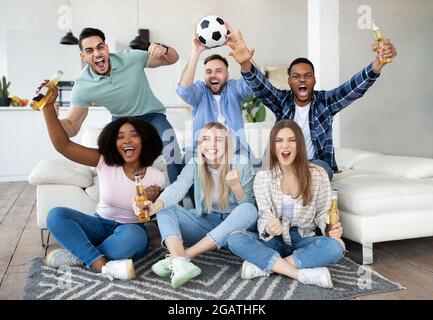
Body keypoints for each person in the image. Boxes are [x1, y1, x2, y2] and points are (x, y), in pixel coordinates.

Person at [226, 26, 397, 180]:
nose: (302, 79)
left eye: (307, 76)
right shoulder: (281, 101)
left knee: (322, 171)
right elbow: (261, 88)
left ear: (314, 80)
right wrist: (245, 63)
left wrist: (378, 64)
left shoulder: (326, 102)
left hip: (314, 166)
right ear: (289, 81)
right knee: (261, 170)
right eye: (296, 76)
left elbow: (353, 88)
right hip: (283, 162)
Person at [40, 82, 165, 281]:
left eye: (134, 136)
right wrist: (47, 107)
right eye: (120, 137)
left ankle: (80, 255)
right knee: (55, 215)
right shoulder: (104, 161)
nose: (127, 141)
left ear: (146, 140)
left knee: (134, 238)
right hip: (99, 224)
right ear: (113, 143)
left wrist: (150, 199)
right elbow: (63, 145)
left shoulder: (157, 176)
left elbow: (150, 207)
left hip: (130, 230)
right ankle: (102, 265)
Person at [134, 122, 257, 288]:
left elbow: (249, 206)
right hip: (205, 224)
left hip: (234, 231)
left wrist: (236, 186)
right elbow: (178, 186)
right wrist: (153, 208)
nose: (212, 145)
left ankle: (182, 258)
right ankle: (180, 262)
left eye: (218, 140)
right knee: (166, 207)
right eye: (206, 139)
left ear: (227, 144)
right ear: (200, 144)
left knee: (249, 209)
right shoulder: (195, 164)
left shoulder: (241, 163)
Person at [227, 119, 345, 288]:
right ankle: (299, 273)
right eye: (279, 141)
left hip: (304, 237)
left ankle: (269, 266)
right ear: (273, 147)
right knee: (234, 239)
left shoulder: (317, 174)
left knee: (336, 247)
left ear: (299, 145)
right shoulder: (263, 177)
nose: (285, 146)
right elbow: (264, 214)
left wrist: (330, 227)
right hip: (274, 239)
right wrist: (268, 226)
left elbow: (322, 214)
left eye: (291, 140)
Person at [59, 27, 182, 183]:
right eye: (89, 51)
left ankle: (182, 203)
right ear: (83, 56)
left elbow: (173, 59)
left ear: (107, 48)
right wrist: (51, 117)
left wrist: (163, 49)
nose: (97, 54)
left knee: (173, 151)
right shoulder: (83, 86)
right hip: (121, 121)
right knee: (115, 158)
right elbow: (72, 126)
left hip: (152, 115)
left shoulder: (130, 57)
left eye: (100, 47)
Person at [176, 32, 254, 163]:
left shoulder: (233, 88)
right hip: (205, 152)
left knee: (251, 167)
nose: (213, 75)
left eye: (218, 71)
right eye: (208, 71)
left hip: (235, 152)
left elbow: (254, 83)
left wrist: (244, 55)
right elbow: (184, 90)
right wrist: (196, 52)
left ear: (227, 75)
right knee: (177, 161)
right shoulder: (200, 91)